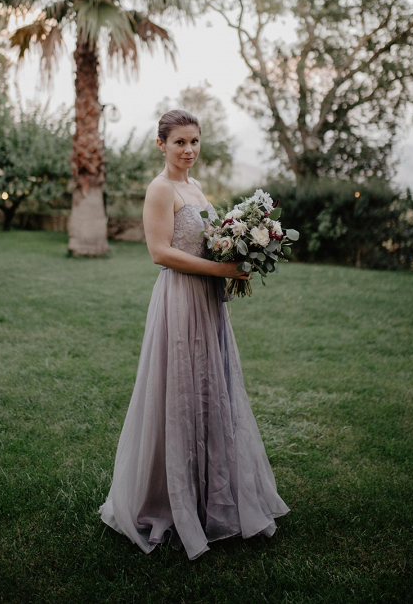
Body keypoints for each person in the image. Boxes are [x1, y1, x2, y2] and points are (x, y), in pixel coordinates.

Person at [99, 109, 289, 559]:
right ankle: (168, 498)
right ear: (161, 144)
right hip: (180, 300)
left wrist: (239, 260)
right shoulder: (159, 189)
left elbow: (208, 240)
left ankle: (213, 497)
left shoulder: (196, 188)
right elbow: (160, 252)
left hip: (208, 301)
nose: (188, 150)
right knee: (179, 391)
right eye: (179, 142)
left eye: (194, 142)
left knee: (210, 389)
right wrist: (221, 267)